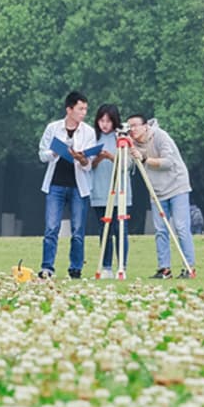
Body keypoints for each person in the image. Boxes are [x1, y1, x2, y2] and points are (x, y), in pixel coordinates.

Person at [126, 114, 197, 279]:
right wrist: (123, 150)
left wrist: (145, 158)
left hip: (177, 185)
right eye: (130, 126)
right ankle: (164, 269)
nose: (132, 129)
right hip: (156, 190)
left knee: (181, 227)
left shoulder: (160, 136)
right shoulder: (132, 144)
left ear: (145, 126)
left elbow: (168, 162)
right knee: (160, 229)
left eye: (135, 125)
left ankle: (189, 267)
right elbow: (128, 166)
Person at [38, 91, 96, 279]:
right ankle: (47, 267)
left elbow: (89, 163)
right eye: (80, 109)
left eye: (85, 109)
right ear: (69, 109)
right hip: (55, 184)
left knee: (78, 230)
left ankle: (75, 268)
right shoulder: (53, 128)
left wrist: (82, 158)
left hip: (78, 186)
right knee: (51, 228)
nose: (83, 113)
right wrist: (55, 152)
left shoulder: (88, 132)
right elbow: (42, 154)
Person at [89, 104, 131, 278]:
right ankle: (106, 267)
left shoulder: (121, 137)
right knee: (104, 230)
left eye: (108, 121)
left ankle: (122, 266)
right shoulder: (92, 137)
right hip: (99, 190)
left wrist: (111, 157)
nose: (104, 124)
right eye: (101, 120)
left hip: (120, 190)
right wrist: (99, 158)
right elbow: (87, 164)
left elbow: (127, 164)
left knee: (120, 229)